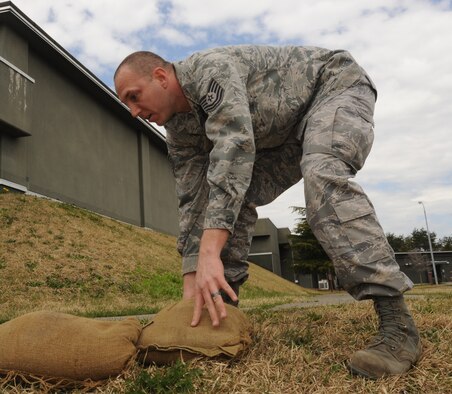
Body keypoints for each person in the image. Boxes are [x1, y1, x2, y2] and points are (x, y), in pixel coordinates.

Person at [114, 45, 422, 379]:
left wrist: (209, 251)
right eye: (126, 103)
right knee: (233, 198)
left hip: (334, 88)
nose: (133, 111)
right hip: (284, 135)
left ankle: (398, 327)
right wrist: (192, 296)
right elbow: (193, 200)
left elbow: (235, 146)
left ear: (160, 77)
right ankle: (220, 315)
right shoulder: (179, 132)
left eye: (134, 96)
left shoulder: (209, 71)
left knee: (322, 175)